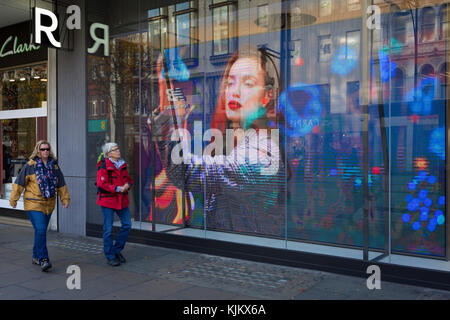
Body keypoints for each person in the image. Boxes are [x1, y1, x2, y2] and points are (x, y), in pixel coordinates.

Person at [152, 45, 287, 236]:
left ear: (267, 96)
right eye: (230, 83)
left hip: (248, 258)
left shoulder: (263, 154)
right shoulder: (227, 142)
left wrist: (167, 117)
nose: (235, 91)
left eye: (248, 83)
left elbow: (185, 172)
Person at [9, 140, 70, 272]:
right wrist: (13, 200)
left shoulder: (54, 166)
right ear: (38, 150)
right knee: (42, 230)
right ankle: (44, 259)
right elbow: (19, 183)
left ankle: (36, 256)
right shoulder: (30, 165)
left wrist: (64, 199)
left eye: (47, 149)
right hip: (33, 203)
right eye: (42, 149)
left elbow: (61, 183)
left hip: (49, 203)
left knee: (40, 231)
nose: (45, 151)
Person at [96, 142, 133, 266]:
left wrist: (128, 185)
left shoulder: (122, 164)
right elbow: (102, 184)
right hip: (108, 200)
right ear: (108, 154)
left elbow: (128, 179)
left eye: (118, 148)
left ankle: (116, 250)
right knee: (108, 229)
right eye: (115, 149)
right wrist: (117, 188)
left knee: (127, 225)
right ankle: (110, 255)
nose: (118, 151)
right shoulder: (104, 166)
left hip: (122, 200)